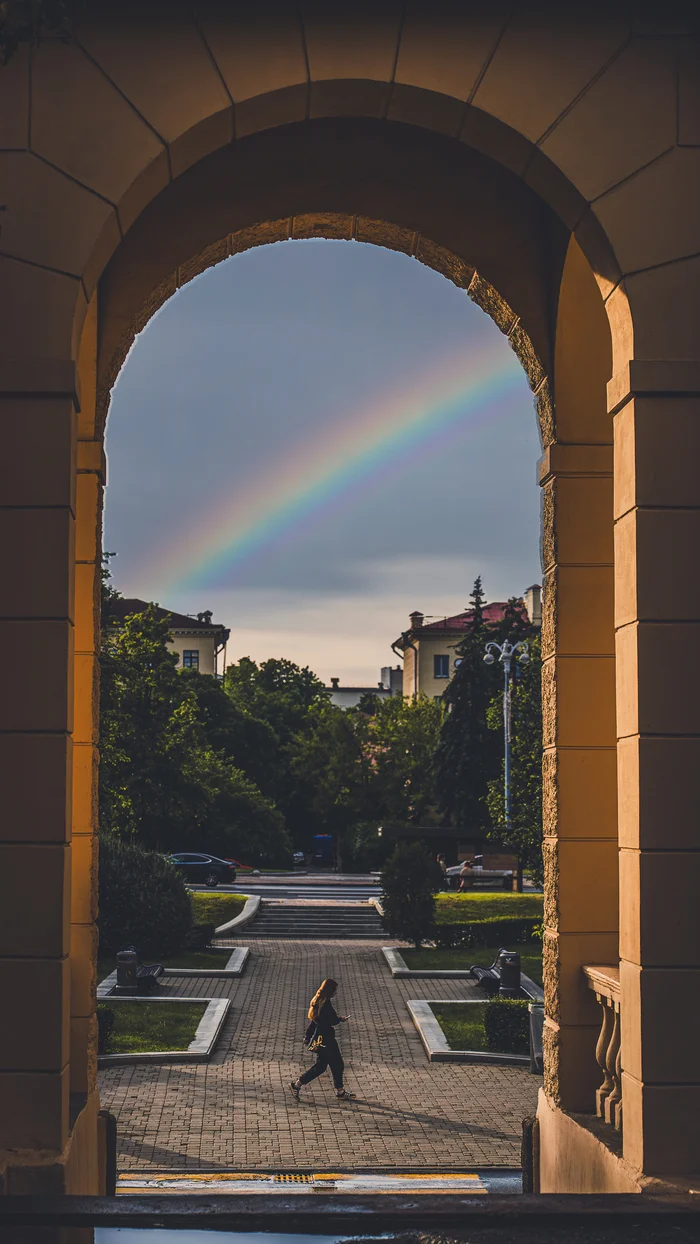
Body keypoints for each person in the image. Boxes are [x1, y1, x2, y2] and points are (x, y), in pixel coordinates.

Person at [289, 977, 356, 1101]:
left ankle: (297, 1084)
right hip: (326, 1039)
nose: (336, 992)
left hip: (321, 1038)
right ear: (330, 990)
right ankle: (339, 1091)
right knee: (337, 1064)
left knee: (321, 1066)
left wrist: (308, 1036)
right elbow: (331, 1020)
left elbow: (314, 1021)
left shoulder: (318, 1001)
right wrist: (341, 1019)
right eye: (335, 990)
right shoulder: (325, 1004)